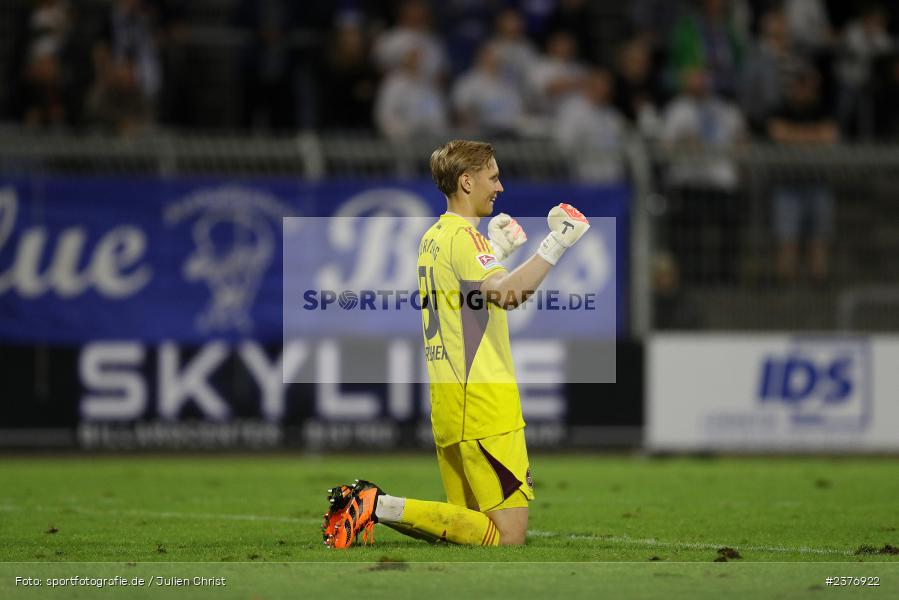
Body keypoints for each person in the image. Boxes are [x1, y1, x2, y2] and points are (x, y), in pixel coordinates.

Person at [321, 140, 591, 548]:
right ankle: (376, 505)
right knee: (509, 537)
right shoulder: (466, 240)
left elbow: (465, 303)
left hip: (449, 403)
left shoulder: (433, 237)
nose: (499, 187)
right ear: (467, 181)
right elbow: (506, 295)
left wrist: (497, 249)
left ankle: (374, 507)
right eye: (493, 177)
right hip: (483, 403)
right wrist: (556, 243)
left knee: (466, 529)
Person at [767, 67, 838, 284]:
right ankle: (786, 282)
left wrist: (794, 136)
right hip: (787, 184)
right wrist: (812, 136)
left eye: (809, 85)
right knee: (787, 237)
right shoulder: (781, 109)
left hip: (817, 183)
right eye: (800, 84)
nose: (805, 90)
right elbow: (778, 133)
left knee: (819, 237)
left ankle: (818, 282)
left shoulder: (823, 109)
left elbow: (830, 136)